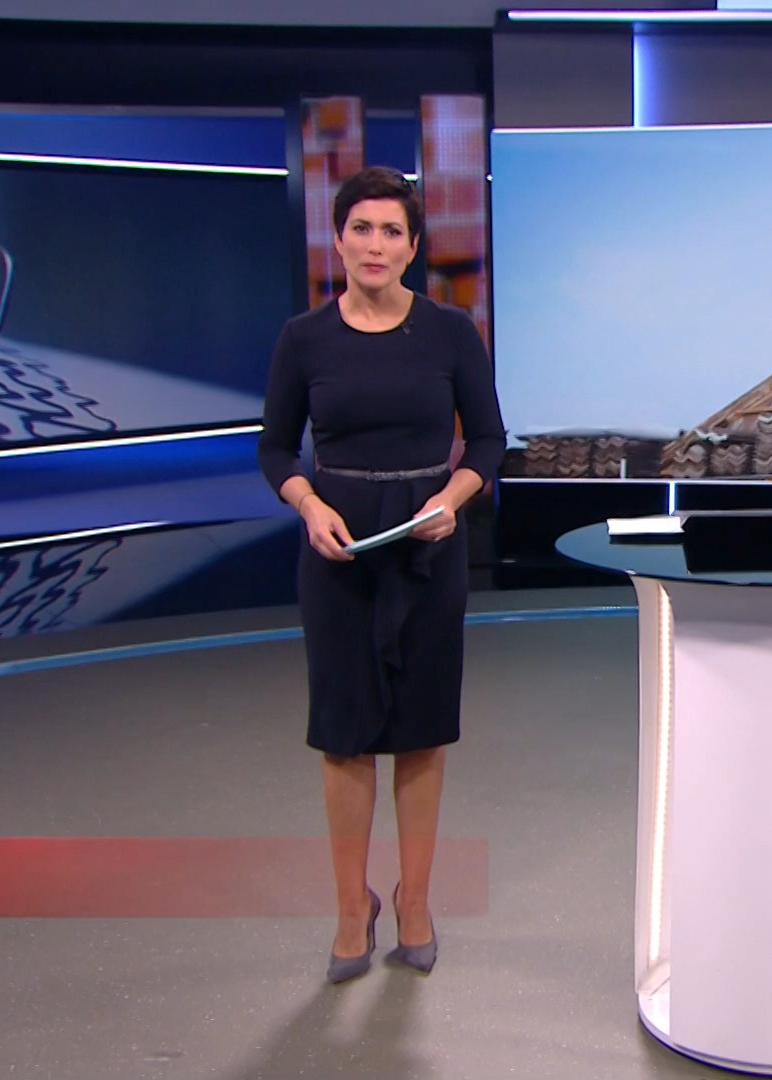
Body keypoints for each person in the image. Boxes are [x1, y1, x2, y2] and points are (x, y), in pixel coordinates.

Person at [257, 166, 506, 984]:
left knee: (422, 731)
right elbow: (274, 448)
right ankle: (348, 909)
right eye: (360, 228)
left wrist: (453, 499)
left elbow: (490, 441)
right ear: (337, 240)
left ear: (412, 245)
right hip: (339, 552)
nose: (375, 244)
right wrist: (306, 504)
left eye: (391, 231)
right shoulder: (304, 339)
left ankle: (414, 902)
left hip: (428, 546)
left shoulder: (450, 332)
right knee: (345, 735)